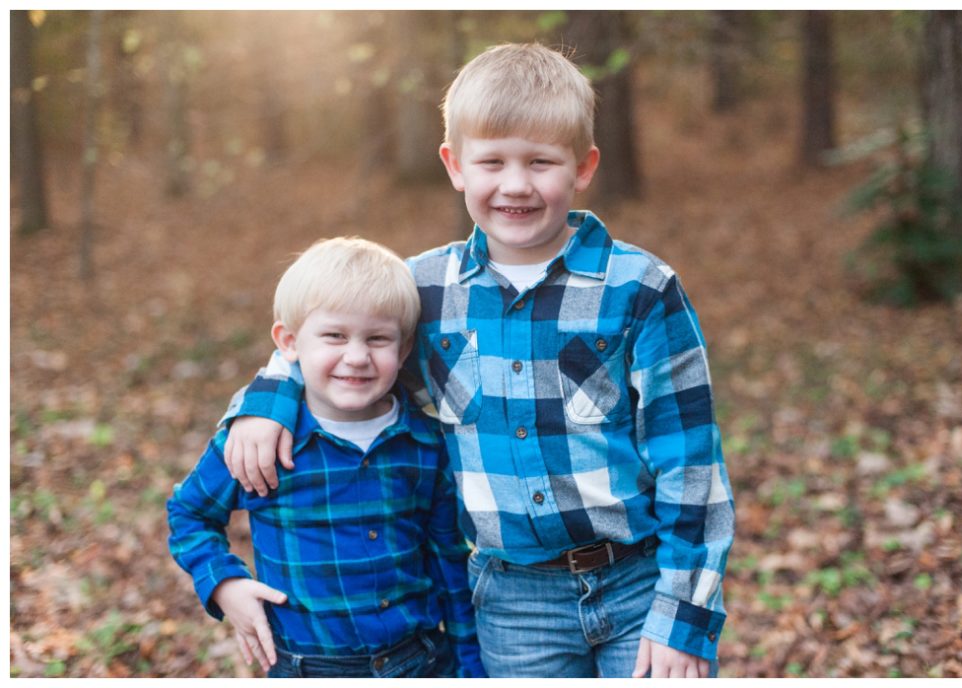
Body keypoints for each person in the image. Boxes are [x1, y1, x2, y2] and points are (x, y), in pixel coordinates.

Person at [222, 43, 733, 679]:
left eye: (541, 162)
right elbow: (329, 353)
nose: (515, 184)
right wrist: (261, 406)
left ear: (583, 167)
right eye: (491, 161)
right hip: (513, 602)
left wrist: (683, 613)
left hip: (639, 583)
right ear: (455, 165)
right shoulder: (424, 291)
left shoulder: (639, 288)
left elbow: (691, 462)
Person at [166, 237, 485, 678]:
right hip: (307, 667)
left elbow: (450, 560)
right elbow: (189, 514)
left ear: (405, 348)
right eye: (334, 336)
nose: (356, 357)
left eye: (377, 339)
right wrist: (224, 584)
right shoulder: (260, 442)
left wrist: (472, 668)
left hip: (421, 662)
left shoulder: (424, 444)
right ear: (290, 342)